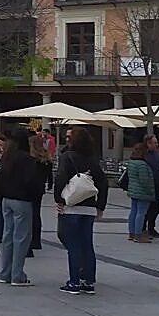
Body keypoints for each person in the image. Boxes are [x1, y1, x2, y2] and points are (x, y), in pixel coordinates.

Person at [53, 126, 108, 295]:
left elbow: (61, 178)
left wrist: (59, 199)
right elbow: (103, 183)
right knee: (87, 244)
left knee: (73, 244)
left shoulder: (67, 157)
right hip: (89, 207)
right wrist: (100, 206)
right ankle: (88, 281)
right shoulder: (92, 159)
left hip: (71, 206)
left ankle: (74, 281)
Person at [0, 130, 40, 286]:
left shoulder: (7, 158)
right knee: (21, 238)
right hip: (22, 200)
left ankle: (5, 273)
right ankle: (17, 275)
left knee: (7, 236)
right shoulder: (27, 159)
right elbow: (31, 181)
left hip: (6, 200)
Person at [124, 143, 157, 243]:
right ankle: (138, 234)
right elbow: (144, 180)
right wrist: (151, 191)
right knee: (141, 212)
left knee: (133, 211)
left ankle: (132, 232)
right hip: (143, 192)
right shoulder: (142, 164)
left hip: (134, 190)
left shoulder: (132, 162)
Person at [28, 133, 52, 251]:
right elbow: (49, 176)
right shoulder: (46, 158)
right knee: (36, 213)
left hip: (30, 188)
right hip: (40, 188)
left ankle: (32, 239)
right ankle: (36, 240)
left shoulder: (31, 159)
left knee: (30, 214)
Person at [142, 134, 159, 239]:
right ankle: (142, 229)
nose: (157, 144)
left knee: (156, 208)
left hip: (157, 187)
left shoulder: (155, 154)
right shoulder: (144, 155)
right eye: (155, 143)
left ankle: (151, 228)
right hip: (149, 187)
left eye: (157, 142)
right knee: (147, 209)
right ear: (148, 143)